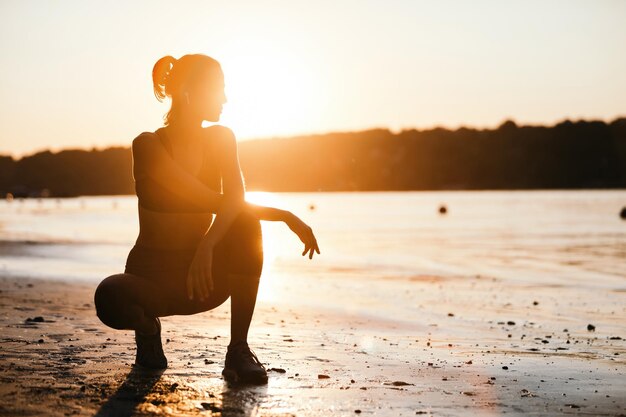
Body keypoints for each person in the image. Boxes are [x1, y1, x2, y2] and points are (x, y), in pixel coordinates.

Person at [94, 54, 320, 385]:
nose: (225, 98)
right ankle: (147, 328)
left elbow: (235, 202)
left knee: (244, 223)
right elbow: (212, 200)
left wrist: (208, 244)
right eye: (219, 89)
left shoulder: (221, 138)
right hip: (152, 280)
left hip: (201, 279)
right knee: (109, 297)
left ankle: (238, 350)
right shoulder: (149, 145)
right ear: (189, 92)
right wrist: (284, 215)